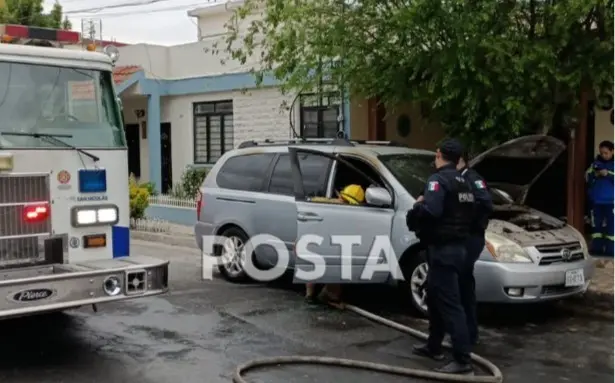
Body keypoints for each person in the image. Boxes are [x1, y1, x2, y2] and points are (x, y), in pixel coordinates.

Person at [406, 139, 475, 374]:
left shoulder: (438, 180)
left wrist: (417, 206)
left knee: (451, 304)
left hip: (444, 250)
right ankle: (433, 345)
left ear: (439, 156)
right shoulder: (463, 181)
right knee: (434, 297)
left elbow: (432, 211)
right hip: (458, 248)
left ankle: (462, 359)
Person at [304, 184, 366, 304]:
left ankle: (315, 294)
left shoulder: (331, 207)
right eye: (346, 202)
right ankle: (324, 294)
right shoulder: (331, 211)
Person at [457, 152, 493, 345]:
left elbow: (486, 203)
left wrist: (467, 217)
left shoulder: (472, 178)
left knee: (464, 285)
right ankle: (463, 333)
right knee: (460, 285)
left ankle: (469, 335)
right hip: (461, 237)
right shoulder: (456, 179)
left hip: (471, 237)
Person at [586, 140, 614, 256]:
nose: (603, 155)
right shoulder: (595, 164)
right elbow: (587, 176)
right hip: (597, 201)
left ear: (613, 151)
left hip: (611, 202)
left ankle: (611, 250)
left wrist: (608, 174)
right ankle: (596, 248)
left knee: (611, 226)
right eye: (602, 153)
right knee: (596, 225)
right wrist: (595, 174)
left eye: (606, 153)